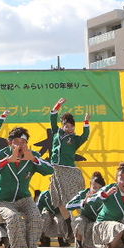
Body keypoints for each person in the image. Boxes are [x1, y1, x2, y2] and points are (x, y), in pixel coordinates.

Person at [0, 126, 54, 248]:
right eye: (16, 142)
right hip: (4, 200)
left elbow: (50, 170)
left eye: (23, 142)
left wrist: (34, 159)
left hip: (24, 198)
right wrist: (7, 160)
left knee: (36, 217)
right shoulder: (2, 154)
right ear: (10, 142)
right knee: (13, 217)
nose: (20, 145)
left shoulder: (32, 155)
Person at [47, 98, 91, 233]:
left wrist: (86, 122)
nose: (70, 128)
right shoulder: (56, 132)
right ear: (62, 126)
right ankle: (69, 225)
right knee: (59, 199)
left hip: (68, 169)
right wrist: (58, 105)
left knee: (72, 197)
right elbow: (52, 116)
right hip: (56, 169)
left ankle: (83, 220)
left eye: (72, 126)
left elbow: (85, 135)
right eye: (67, 126)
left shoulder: (75, 139)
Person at [66, 172, 106, 248]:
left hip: (101, 220)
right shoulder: (83, 194)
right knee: (79, 221)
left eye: (99, 188)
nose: (96, 190)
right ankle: (79, 245)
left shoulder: (105, 195)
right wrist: (83, 202)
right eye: (94, 187)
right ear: (90, 185)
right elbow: (68, 205)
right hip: (86, 219)